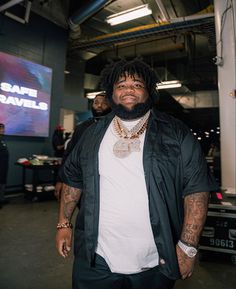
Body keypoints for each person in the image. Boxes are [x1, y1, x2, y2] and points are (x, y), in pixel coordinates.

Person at [55, 59, 217, 289]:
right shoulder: (91, 134)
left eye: (137, 84)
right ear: (112, 93)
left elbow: (197, 189)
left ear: (148, 91)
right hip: (95, 259)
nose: (128, 89)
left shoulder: (176, 132)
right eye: (121, 85)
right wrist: (64, 224)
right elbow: (73, 180)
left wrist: (188, 246)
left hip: (155, 261)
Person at [54, 92, 111, 200]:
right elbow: (68, 155)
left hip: (107, 185)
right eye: (96, 103)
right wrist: (60, 180)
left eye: (104, 103)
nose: (99, 106)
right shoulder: (82, 128)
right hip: (82, 183)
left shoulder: (115, 128)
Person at [0, 123, 9, 208]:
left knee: (3, 181)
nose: (3, 130)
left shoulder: (2, 139)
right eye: (1, 129)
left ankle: (2, 199)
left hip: (4, 165)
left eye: (3, 128)